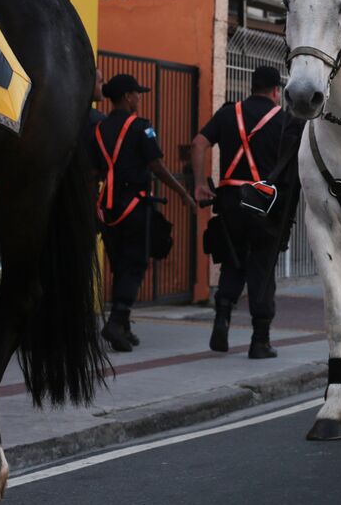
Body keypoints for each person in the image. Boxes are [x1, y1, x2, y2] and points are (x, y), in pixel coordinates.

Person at [191, 65, 296, 358]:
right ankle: (259, 340)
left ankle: (222, 318)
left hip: (229, 200)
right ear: (277, 91)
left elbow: (199, 143)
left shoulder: (229, 113)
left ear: (252, 86)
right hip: (264, 203)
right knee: (262, 267)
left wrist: (200, 184)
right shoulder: (285, 121)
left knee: (233, 261)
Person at [91, 73, 191, 352]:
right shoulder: (140, 127)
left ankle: (122, 325)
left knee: (119, 264)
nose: (139, 97)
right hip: (134, 204)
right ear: (126, 97)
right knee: (134, 265)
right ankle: (115, 322)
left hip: (107, 209)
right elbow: (157, 166)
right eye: (137, 93)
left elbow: (94, 169)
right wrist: (183, 193)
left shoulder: (97, 129)